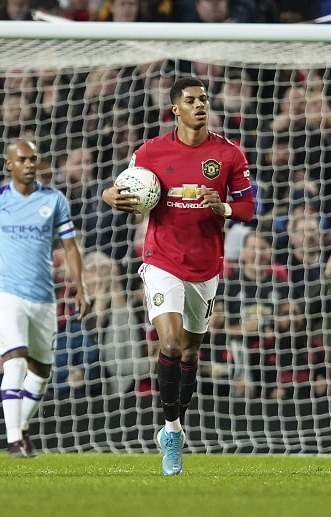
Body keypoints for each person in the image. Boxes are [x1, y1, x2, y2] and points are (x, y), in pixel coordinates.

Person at [102, 76, 254, 475]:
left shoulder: (229, 154)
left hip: (205, 266)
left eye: (203, 99)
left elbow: (249, 210)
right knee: (168, 343)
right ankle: (170, 432)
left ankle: (176, 424)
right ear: (176, 109)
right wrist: (110, 197)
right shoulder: (151, 152)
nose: (200, 105)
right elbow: (118, 189)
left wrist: (221, 207)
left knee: (189, 352)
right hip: (161, 259)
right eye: (191, 100)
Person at [0, 138, 89, 458]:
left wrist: (80, 285)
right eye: (22, 159)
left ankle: (20, 427)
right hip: (6, 293)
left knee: (41, 373)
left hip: (44, 297)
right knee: (15, 360)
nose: (29, 164)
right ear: (9, 164)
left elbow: (70, 246)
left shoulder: (54, 199)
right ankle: (13, 441)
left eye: (33, 159)